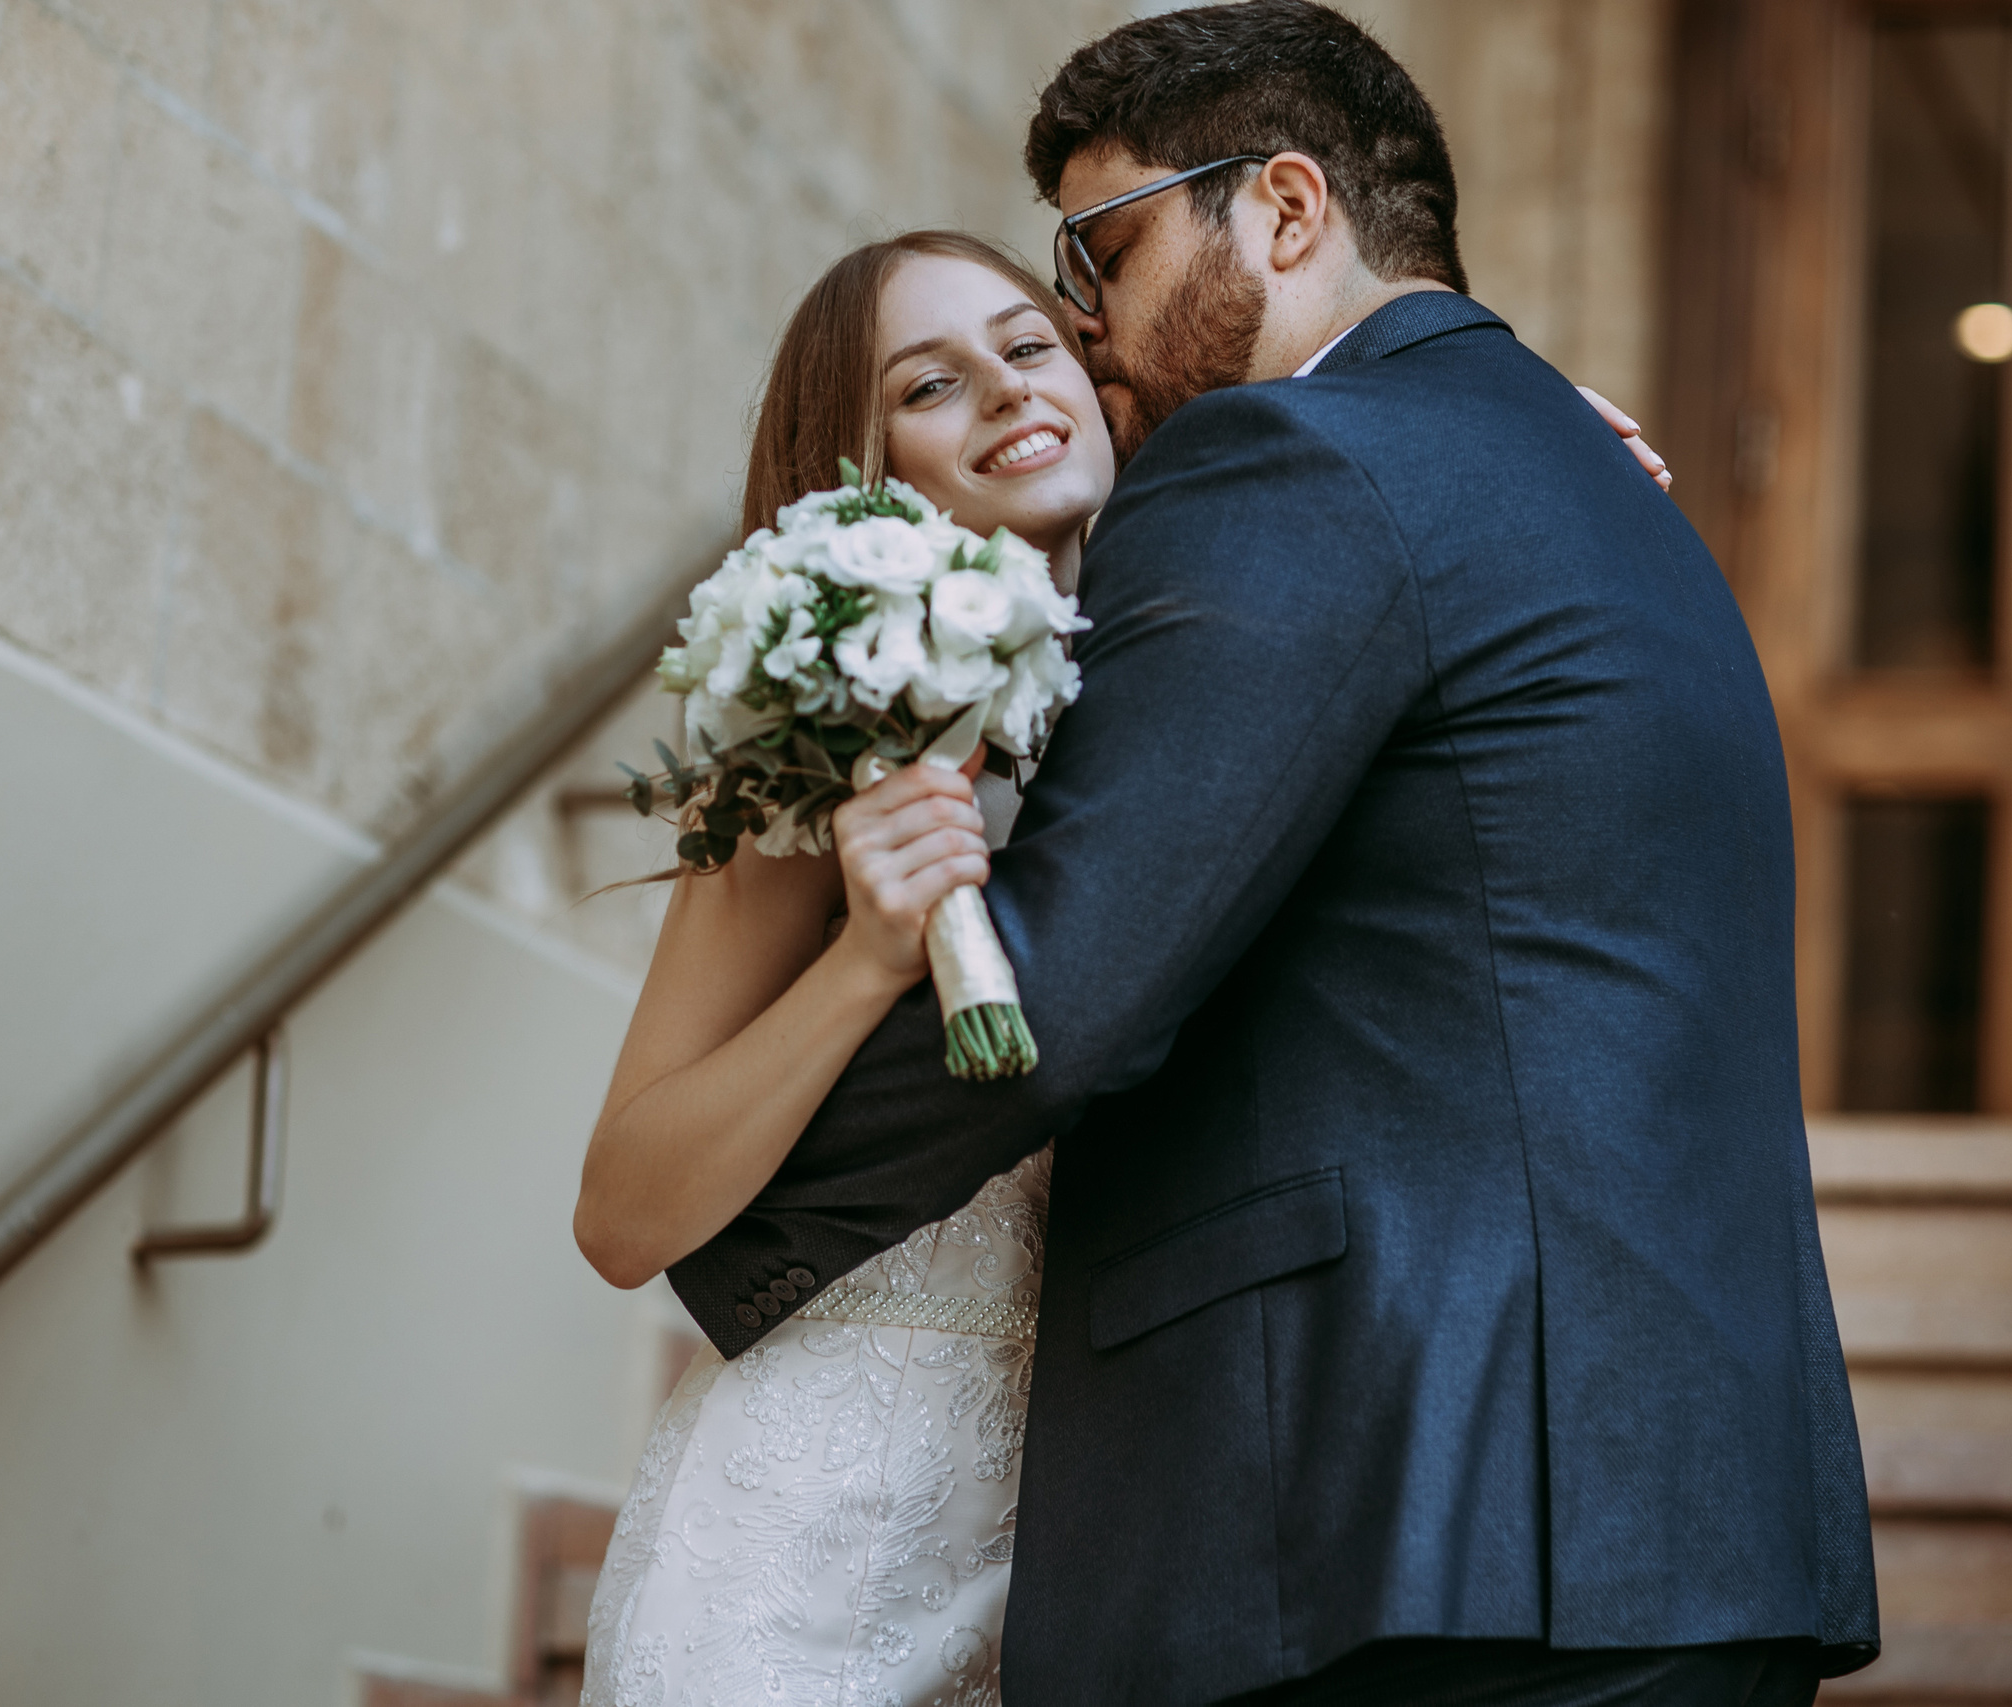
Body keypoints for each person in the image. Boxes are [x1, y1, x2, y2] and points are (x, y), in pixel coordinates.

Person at [659, 5, 1879, 1706]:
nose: (1085, 327)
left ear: (1286, 210)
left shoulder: (1303, 458)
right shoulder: (1568, 474)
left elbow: (1071, 992)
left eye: (1105, 251)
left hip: (1436, 1533)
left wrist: (740, 1237)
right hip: (1676, 1511)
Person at [574, 225, 1669, 1702]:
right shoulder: (814, 751)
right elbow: (622, 1212)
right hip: (822, 1524)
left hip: (1094, 1527)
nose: (1007, 392)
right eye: (930, 385)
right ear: (859, 458)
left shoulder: (1193, 673)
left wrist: (1505, 452)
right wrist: (863, 964)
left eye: (1030, 349)